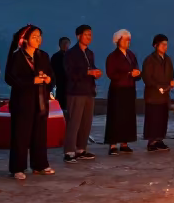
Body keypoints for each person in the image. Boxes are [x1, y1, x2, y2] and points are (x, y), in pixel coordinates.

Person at [4, 25, 55, 179]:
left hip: (40, 100)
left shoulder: (43, 56)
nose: (38, 39)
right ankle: (17, 168)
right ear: (25, 39)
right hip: (22, 101)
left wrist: (48, 79)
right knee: (21, 134)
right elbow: (10, 78)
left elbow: (52, 75)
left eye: (40, 36)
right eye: (34, 36)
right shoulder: (17, 56)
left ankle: (40, 165)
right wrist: (32, 80)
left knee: (39, 134)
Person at [62, 25, 101, 163]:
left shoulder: (90, 53)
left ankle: (81, 149)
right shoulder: (71, 53)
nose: (89, 37)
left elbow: (91, 68)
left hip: (88, 91)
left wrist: (95, 73)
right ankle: (69, 151)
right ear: (78, 36)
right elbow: (70, 72)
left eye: (90, 35)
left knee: (86, 122)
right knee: (74, 122)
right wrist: (87, 72)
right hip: (75, 91)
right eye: (86, 35)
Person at [105, 29, 140, 155]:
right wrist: (129, 74)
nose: (127, 42)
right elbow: (111, 73)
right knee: (116, 117)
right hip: (117, 89)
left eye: (129, 39)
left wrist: (136, 74)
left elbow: (136, 69)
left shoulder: (131, 55)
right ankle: (113, 144)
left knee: (128, 117)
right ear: (118, 40)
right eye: (125, 39)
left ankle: (124, 143)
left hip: (129, 89)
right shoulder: (112, 56)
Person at [142, 33, 174, 151]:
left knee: (162, 118)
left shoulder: (168, 59)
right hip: (153, 95)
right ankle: (152, 141)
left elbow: (171, 74)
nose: (165, 47)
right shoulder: (149, 60)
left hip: (164, 94)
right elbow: (147, 77)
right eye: (163, 44)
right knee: (153, 118)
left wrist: (171, 83)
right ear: (155, 45)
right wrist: (158, 86)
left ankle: (160, 139)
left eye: (166, 45)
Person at [50, 37, 71, 112]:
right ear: (59, 45)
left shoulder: (72, 56)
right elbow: (52, 70)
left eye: (67, 43)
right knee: (60, 103)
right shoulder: (55, 57)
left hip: (70, 84)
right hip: (59, 83)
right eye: (63, 43)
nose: (65, 45)